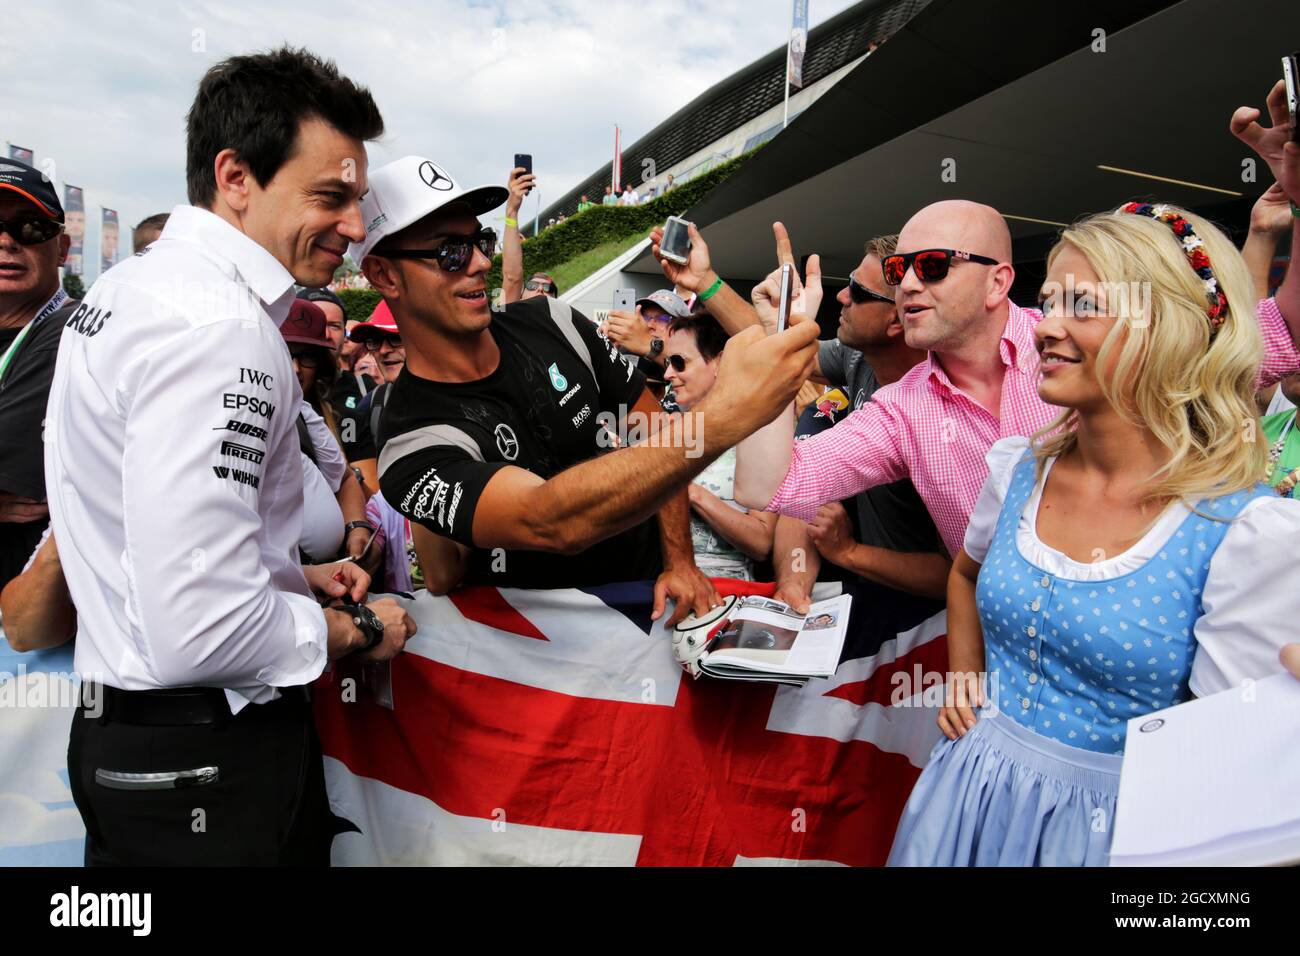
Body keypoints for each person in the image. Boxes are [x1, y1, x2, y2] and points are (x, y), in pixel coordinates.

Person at [42, 47, 416, 867]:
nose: (356, 227)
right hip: (204, 762)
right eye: (332, 196)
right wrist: (353, 626)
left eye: (358, 198)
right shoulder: (222, 327)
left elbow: (155, 547)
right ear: (235, 176)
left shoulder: (129, 290)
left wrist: (288, 575)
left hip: (141, 751)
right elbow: (202, 627)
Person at [888, 202, 1300, 867]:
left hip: (1114, 839)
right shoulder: (1021, 469)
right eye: (1048, 303)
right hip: (965, 796)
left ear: (1166, 328)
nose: (1046, 328)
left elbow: (1237, 799)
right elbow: (963, 574)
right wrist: (966, 681)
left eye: (1082, 305)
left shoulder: (1242, 533)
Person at [353, 154, 818, 618]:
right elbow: (550, 521)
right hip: (536, 650)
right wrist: (726, 416)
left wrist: (679, 559)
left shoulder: (554, 322)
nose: (478, 263)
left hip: (646, 608)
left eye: (482, 241)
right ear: (384, 275)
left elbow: (655, 433)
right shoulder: (408, 442)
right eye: (449, 251)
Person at [735, 195, 1300, 560]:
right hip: (1000, 663)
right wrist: (779, 347)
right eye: (896, 269)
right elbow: (768, 487)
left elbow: (1280, 335)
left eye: (932, 265)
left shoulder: (1093, 344)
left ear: (998, 282)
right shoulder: (901, 409)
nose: (906, 284)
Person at [754, 230, 949, 613]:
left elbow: (960, 574)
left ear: (899, 320)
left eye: (857, 292)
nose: (841, 297)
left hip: (928, 628)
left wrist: (850, 553)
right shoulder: (856, 357)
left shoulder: (942, 417)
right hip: (868, 604)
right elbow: (790, 358)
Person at [0, 158, 77, 590]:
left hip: (23, 630)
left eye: (29, 227)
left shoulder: (70, 333)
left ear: (62, 248)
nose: (7, 241)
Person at [663, 312, 776, 580]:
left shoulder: (755, 435)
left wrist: (690, 493)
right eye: (668, 363)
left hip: (724, 595)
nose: (668, 373)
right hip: (658, 586)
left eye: (679, 363)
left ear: (720, 362)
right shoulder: (666, 430)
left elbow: (761, 542)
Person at [280, 299, 377, 573]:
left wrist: (357, 525)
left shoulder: (304, 414)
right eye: (284, 353)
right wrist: (306, 576)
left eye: (306, 357)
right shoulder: (233, 420)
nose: (296, 369)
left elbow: (344, 477)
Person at [602, 288, 691, 405]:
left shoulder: (697, 366)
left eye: (662, 319)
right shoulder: (625, 354)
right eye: (645, 318)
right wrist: (604, 347)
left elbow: (687, 372)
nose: (649, 325)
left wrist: (651, 347)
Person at [500, 165, 536, 304]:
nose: (540, 289)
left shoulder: (562, 324)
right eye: (532, 285)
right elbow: (512, 278)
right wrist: (511, 211)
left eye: (548, 287)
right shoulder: (504, 318)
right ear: (521, 295)